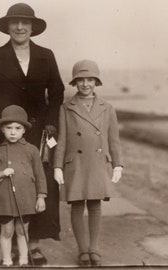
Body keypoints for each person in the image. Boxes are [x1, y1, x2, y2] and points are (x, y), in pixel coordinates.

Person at [0, 3, 64, 264]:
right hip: (4, 131)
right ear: (7, 26)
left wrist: (50, 121)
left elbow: (57, 92)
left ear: (33, 27)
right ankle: (10, 245)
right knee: (3, 186)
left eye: (25, 23)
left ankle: (33, 245)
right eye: (14, 22)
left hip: (37, 132)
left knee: (37, 183)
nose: (20, 27)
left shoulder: (46, 55)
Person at [53, 60, 124, 266]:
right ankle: (83, 250)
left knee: (95, 205)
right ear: (75, 83)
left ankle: (94, 248)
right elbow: (63, 139)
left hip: (97, 162)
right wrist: (58, 165)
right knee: (76, 205)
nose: (85, 84)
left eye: (90, 79)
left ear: (97, 82)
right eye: (81, 80)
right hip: (75, 163)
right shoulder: (66, 108)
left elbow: (114, 139)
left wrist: (118, 164)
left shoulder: (107, 108)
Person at [0, 105, 47, 266]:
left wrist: (41, 197)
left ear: (24, 130)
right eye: (9, 128)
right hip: (4, 198)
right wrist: (1, 173)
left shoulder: (31, 150)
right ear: (2, 130)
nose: (13, 132)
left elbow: (40, 175)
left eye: (17, 128)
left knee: (22, 230)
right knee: (7, 230)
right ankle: (6, 261)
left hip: (25, 197)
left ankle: (24, 260)